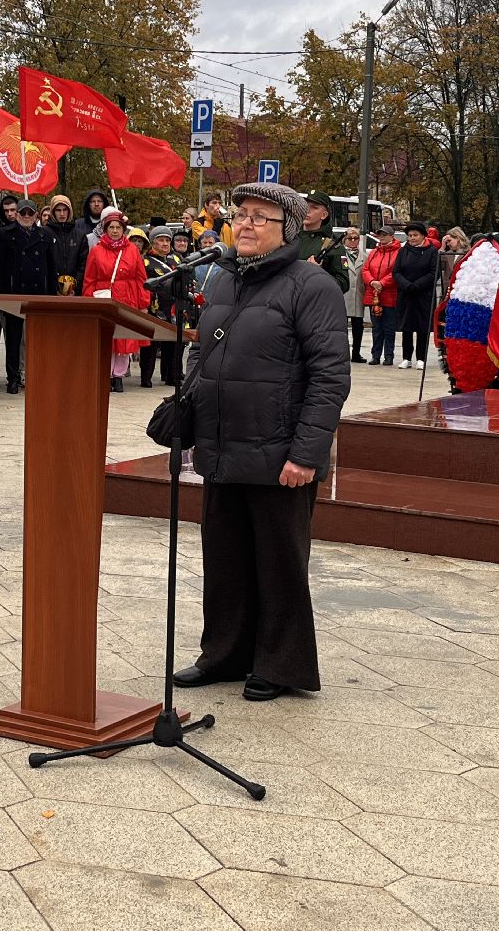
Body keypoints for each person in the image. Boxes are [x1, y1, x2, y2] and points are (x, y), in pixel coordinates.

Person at [173, 181, 349, 700]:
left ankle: (281, 664)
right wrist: (187, 413)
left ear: (287, 229)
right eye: (241, 214)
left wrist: (306, 453)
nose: (245, 224)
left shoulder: (310, 286)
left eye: (259, 217)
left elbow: (330, 377)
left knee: (278, 562)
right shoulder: (225, 280)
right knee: (223, 558)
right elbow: (206, 358)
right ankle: (225, 654)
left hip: (279, 452)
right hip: (224, 445)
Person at [0, 198, 57, 394]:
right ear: (16, 215)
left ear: (36, 215)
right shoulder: (4, 234)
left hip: (38, 294)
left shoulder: (44, 236)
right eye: (22, 213)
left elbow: (51, 268)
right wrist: (0, 293)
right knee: (13, 338)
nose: (26, 217)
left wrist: (51, 294)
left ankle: (35, 374)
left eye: (30, 213)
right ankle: (13, 377)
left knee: (36, 338)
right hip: (13, 293)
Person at [83, 209, 150, 392]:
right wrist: (89, 303)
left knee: (123, 337)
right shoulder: (96, 251)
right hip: (104, 297)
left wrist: (143, 303)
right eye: (111, 227)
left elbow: (141, 279)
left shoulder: (132, 251)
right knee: (106, 337)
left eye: (118, 227)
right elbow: (90, 279)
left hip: (127, 297)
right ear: (105, 229)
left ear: (123, 229)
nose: (114, 231)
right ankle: (106, 374)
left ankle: (118, 376)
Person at [394, 222, 438, 370]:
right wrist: (406, 284)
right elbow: (396, 271)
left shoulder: (432, 251)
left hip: (423, 294)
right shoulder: (403, 251)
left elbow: (434, 273)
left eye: (415, 235)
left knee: (422, 327)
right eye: (410, 235)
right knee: (406, 327)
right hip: (406, 294)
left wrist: (417, 285)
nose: (412, 238)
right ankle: (406, 357)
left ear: (423, 236)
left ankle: (421, 358)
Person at [140, 225, 178, 387]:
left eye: (167, 240)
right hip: (154, 307)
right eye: (160, 240)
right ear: (153, 242)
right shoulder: (146, 261)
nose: (165, 244)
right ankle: (146, 377)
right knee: (150, 345)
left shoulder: (176, 259)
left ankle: (170, 376)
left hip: (173, 307)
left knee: (174, 342)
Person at [362, 225, 401, 366]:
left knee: (389, 327)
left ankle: (389, 356)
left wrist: (382, 283)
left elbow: (396, 271)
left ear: (392, 236)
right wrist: (372, 282)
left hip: (390, 294)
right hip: (374, 295)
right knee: (376, 327)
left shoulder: (398, 252)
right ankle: (376, 355)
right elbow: (365, 269)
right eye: (380, 234)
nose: (382, 237)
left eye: (385, 234)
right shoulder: (374, 252)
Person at [298, 189, 348, 294]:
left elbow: (343, 284)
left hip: (311, 303)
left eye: (314, 207)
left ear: (324, 215)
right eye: (306, 206)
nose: (308, 210)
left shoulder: (332, 246)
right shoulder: (289, 238)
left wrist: (319, 274)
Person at [46, 194, 88, 295]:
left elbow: (83, 265)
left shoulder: (79, 235)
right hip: (50, 291)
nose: (62, 213)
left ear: (69, 211)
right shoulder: (44, 233)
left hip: (75, 291)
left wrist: (75, 287)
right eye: (58, 210)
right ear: (53, 212)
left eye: (65, 210)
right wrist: (54, 287)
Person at [342, 227, 366, 362]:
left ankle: (356, 353)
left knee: (358, 327)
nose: (352, 241)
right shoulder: (339, 254)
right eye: (349, 238)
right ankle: (343, 353)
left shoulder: (364, 256)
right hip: (343, 295)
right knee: (342, 327)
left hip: (358, 295)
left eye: (355, 238)